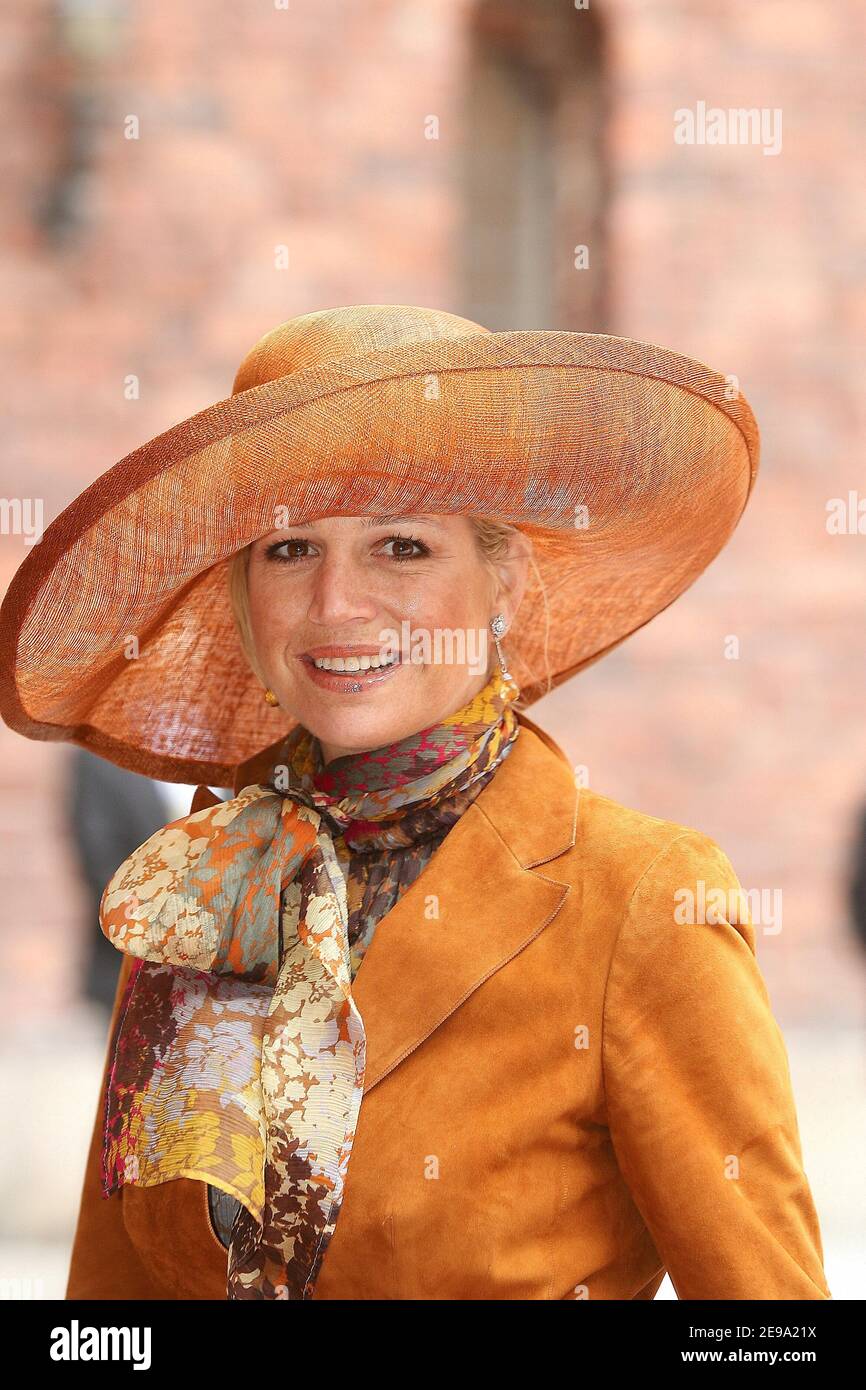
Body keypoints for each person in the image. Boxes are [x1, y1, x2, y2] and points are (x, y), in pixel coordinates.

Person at [0, 304, 831, 1300]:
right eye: (288, 549)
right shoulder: (201, 881)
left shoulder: (641, 899)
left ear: (505, 583)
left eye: (399, 546)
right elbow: (111, 1312)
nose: (337, 604)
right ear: (241, 597)